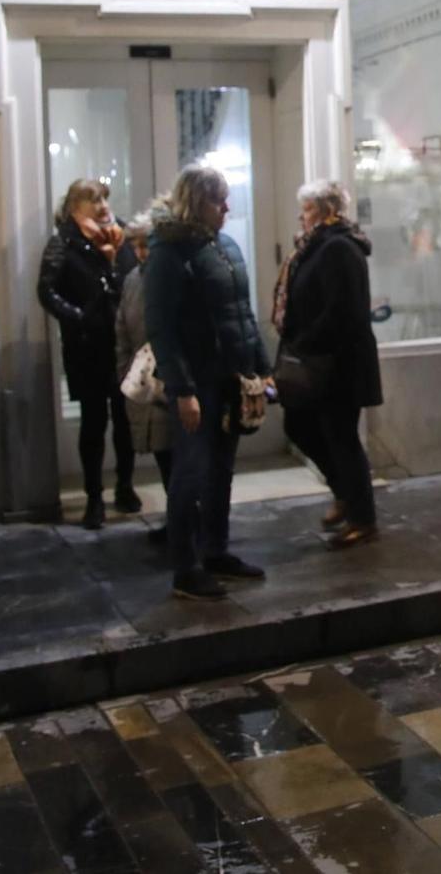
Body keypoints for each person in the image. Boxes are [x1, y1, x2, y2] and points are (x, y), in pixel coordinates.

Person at [145, 170, 273, 599]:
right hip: (198, 381)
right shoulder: (170, 252)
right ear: (197, 202)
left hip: (230, 377)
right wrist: (182, 389)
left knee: (221, 469)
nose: (227, 208)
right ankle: (186, 566)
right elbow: (161, 327)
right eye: (219, 201)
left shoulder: (224, 246)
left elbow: (241, 312)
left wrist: (260, 365)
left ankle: (215, 550)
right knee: (191, 473)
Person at [277, 180, 385, 551]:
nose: (301, 216)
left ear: (325, 211)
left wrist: (305, 342)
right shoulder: (316, 246)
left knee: (341, 437)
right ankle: (344, 494)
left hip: (338, 363)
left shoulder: (338, 247)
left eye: (306, 209)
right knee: (301, 424)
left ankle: (362, 518)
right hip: (321, 359)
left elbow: (345, 312)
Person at [37, 178, 136, 530]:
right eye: (93, 200)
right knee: (94, 421)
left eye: (104, 199)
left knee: (126, 419)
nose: (103, 206)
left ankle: (125, 486)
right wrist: (79, 318)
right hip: (87, 346)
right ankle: (94, 497)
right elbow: (47, 291)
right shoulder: (64, 242)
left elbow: (132, 277)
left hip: (121, 341)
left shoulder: (121, 235)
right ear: (75, 207)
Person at [116, 210, 174, 549]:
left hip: (170, 380)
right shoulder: (133, 280)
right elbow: (122, 329)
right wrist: (128, 372)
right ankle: (178, 520)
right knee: (165, 457)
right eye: (135, 246)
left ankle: (187, 523)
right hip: (145, 380)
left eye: (146, 244)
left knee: (178, 456)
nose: (140, 252)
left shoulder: (171, 276)